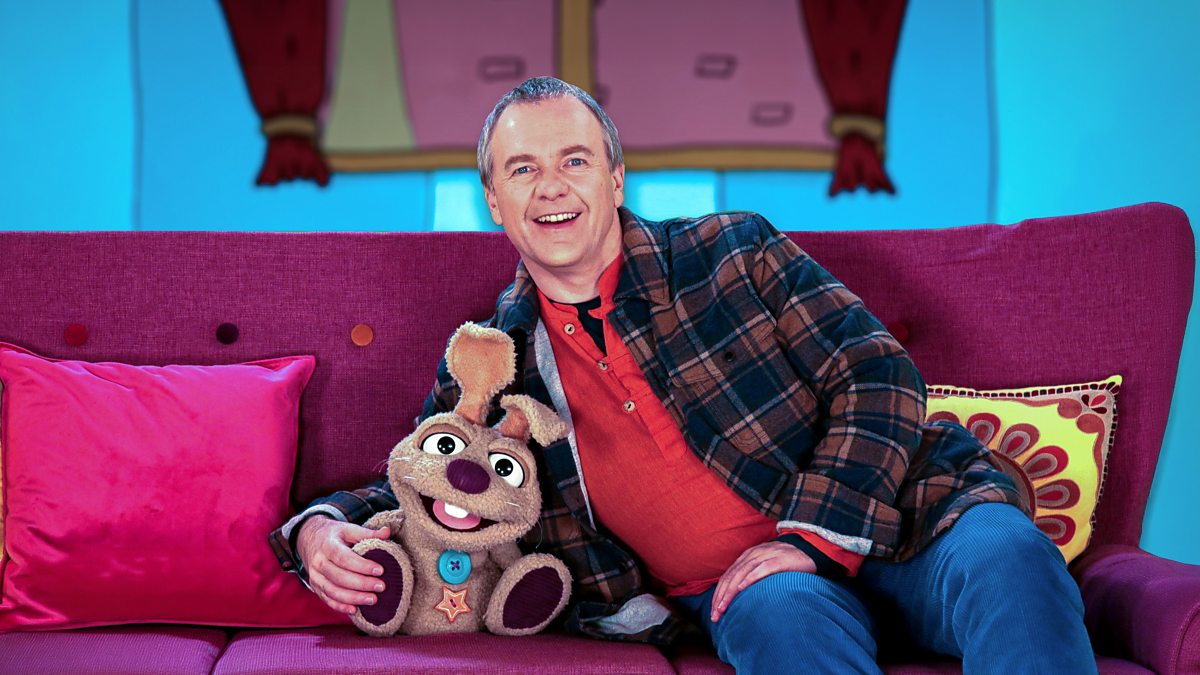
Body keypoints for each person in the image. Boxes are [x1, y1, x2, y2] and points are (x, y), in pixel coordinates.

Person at [270, 77, 1096, 673]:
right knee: (779, 620)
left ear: (615, 177)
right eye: (522, 169)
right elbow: (423, 474)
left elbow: (877, 375)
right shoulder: (495, 360)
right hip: (751, 591)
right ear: (493, 198)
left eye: (574, 160)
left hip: (911, 514)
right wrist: (315, 529)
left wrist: (808, 538)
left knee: (1010, 556)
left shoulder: (734, 252)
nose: (551, 186)